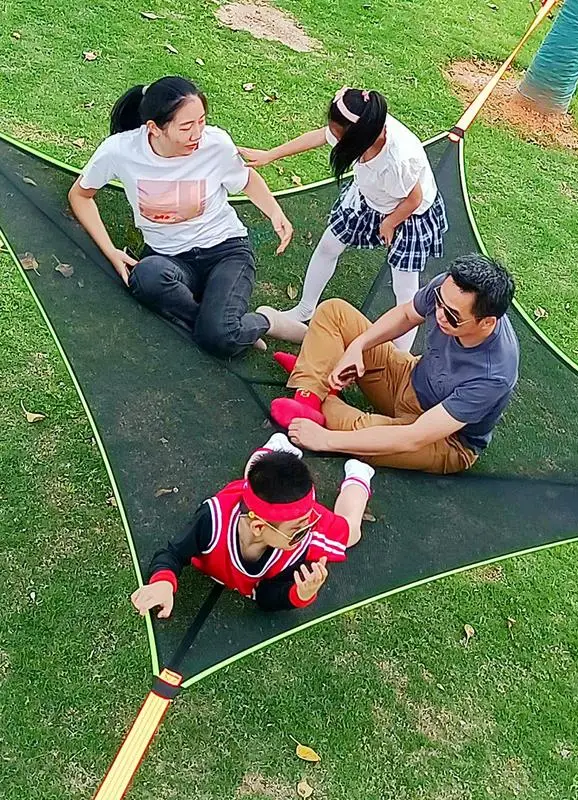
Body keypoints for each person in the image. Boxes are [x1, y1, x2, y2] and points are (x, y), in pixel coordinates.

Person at [68, 76, 307, 359]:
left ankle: (265, 321)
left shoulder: (215, 144)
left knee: (217, 340)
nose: (197, 134)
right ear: (154, 128)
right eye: (186, 127)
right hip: (169, 258)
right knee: (144, 277)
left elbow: (246, 178)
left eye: (201, 122)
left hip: (226, 252)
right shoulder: (120, 151)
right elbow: (80, 195)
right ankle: (226, 327)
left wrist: (274, 211)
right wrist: (111, 252)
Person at [267, 253, 519, 474]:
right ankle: (310, 392)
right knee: (334, 312)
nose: (439, 315)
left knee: (358, 432)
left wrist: (326, 441)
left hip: (444, 437)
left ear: (487, 322)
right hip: (410, 376)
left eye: (452, 316)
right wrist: (358, 345)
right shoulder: (450, 288)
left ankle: (317, 376)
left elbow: (413, 437)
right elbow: (408, 314)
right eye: (439, 303)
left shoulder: (494, 374)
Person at [239, 86, 448, 351]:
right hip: (369, 196)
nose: (332, 137)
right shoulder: (363, 126)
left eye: (338, 134)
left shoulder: (398, 161)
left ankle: (398, 357)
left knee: (405, 288)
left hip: (407, 215)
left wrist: (390, 222)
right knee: (329, 245)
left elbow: (413, 200)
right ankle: (304, 310)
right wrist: (271, 155)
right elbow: (317, 137)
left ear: (358, 137)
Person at [130, 434, 375, 617]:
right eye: (298, 531)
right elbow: (173, 553)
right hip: (247, 502)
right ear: (259, 528)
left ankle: (359, 475)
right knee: (252, 477)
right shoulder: (212, 519)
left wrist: (300, 594)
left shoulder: (302, 539)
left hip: (271, 508)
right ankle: (275, 451)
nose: (306, 532)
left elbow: (268, 594)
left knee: (350, 532)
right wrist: (163, 582)